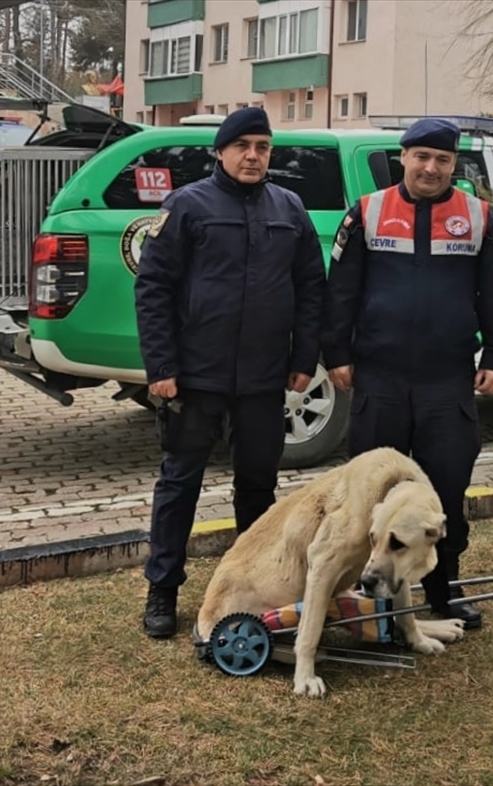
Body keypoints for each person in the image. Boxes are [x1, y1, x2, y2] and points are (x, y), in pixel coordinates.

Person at [320, 117, 493, 630]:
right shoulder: (367, 212)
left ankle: (442, 590)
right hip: (379, 380)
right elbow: (340, 290)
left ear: (454, 164)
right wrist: (336, 352)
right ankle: (359, 591)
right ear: (403, 157)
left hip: (445, 382)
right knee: (368, 497)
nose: (431, 168)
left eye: (443, 160)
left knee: (445, 493)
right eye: (422, 157)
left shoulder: (480, 218)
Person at [134, 106, 326, 639]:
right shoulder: (187, 206)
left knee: (258, 488)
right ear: (220, 152)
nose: (253, 156)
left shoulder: (289, 207)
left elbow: (312, 288)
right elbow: (153, 289)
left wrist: (301, 360)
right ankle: (163, 588)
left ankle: (252, 585)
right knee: (180, 484)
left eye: (262, 147)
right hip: (196, 377)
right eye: (242, 146)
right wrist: (163, 366)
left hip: (264, 379)